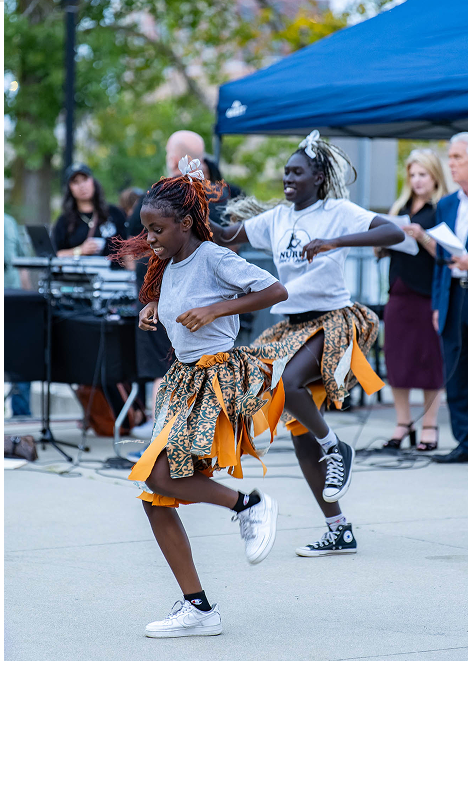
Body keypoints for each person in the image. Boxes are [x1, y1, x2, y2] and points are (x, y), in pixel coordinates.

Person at [210, 132, 407, 556]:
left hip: (332, 323)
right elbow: (227, 235)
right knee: (300, 435)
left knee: (289, 383)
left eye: (296, 172)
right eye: (285, 172)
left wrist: (337, 241)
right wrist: (191, 200)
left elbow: (392, 233)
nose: (288, 178)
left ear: (318, 177)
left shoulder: (337, 212)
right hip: (290, 328)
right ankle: (338, 528)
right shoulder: (278, 219)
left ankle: (337, 447)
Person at [115, 163, 289, 637]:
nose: (149, 239)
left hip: (214, 380)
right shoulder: (167, 263)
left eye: (158, 229)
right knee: (156, 497)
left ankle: (248, 505)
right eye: (145, 230)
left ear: (186, 223)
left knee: (157, 475)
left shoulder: (213, 256)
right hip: (182, 382)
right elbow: (173, 298)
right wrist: (152, 308)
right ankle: (198, 609)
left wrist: (217, 307)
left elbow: (274, 289)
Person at [373, 147, 449, 453]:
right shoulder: (399, 208)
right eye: (413, 175)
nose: (417, 181)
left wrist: (423, 236)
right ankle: (403, 423)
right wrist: (381, 242)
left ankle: (429, 424)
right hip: (399, 295)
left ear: (435, 177)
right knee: (398, 361)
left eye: (424, 175)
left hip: (428, 295)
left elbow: (447, 254)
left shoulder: (442, 208)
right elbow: (383, 248)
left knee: (430, 361)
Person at [429, 133, 468, 470]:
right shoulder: (447, 204)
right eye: (449, 157)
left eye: (457, 158)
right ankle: (465, 443)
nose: (450, 164)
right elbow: (440, 260)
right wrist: (438, 304)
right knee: (458, 374)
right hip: (452, 298)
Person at [4, 207, 35, 419]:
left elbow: (22, 264)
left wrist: (27, 296)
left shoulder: (9, 222)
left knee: (22, 354)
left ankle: (21, 413)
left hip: (14, 300)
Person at [52, 164, 122, 257]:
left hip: (114, 270)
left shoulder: (114, 213)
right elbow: (55, 255)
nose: (82, 186)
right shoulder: (64, 221)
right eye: (75, 182)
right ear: (70, 188)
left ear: (93, 181)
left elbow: (128, 247)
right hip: (76, 271)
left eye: (85, 179)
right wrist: (79, 250)